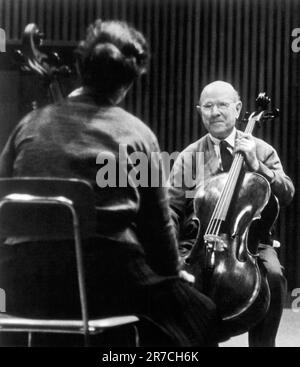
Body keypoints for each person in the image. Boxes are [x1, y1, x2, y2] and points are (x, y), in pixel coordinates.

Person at [0, 20, 218, 347]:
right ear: (129, 81)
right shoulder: (136, 134)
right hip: (103, 286)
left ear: (79, 67)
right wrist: (175, 272)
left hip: (26, 283)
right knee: (202, 316)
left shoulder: (28, 126)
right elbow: (158, 236)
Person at [168, 80, 295, 347]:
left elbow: (287, 193)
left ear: (238, 109)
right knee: (181, 278)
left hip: (250, 244)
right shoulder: (189, 157)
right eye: (208, 106)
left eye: (223, 105)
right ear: (199, 110)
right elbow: (171, 207)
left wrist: (257, 165)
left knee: (272, 276)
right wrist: (170, 255)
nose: (215, 112)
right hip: (199, 243)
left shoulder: (261, 149)